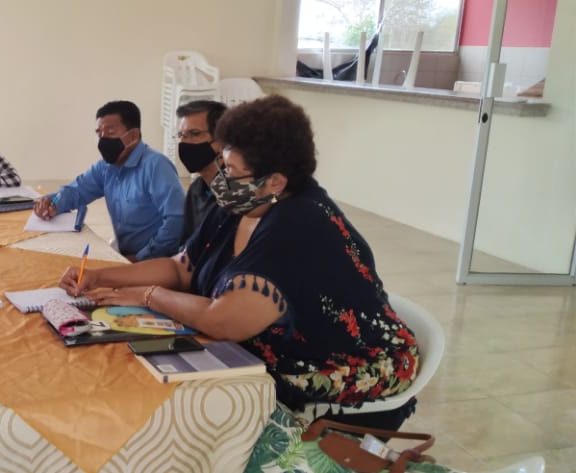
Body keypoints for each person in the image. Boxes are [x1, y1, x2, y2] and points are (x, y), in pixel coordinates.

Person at [58, 95, 419, 430]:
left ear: (274, 181)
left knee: (189, 409)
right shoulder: (243, 203)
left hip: (341, 365)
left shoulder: (299, 224)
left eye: (230, 170)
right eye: (222, 163)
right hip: (267, 345)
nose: (221, 177)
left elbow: (224, 321)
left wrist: (147, 295)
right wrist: (102, 277)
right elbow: (180, 268)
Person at [33, 100, 185, 262]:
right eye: (99, 134)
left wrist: (140, 258)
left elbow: (177, 220)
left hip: (160, 259)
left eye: (110, 132)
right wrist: (53, 202)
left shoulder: (156, 166)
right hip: (125, 253)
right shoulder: (107, 166)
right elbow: (77, 190)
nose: (103, 140)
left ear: (133, 136)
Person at [174, 100, 227, 246]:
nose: (185, 142)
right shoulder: (196, 189)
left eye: (194, 134)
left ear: (221, 141)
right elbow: (186, 243)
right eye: (181, 135)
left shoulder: (235, 193)